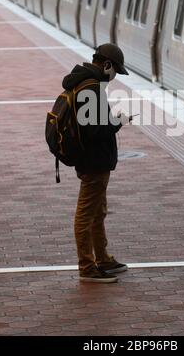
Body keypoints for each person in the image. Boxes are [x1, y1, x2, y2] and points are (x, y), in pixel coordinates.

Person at [62, 44, 130, 283]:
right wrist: (118, 122)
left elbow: (91, 123)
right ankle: (87, 266)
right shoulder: (90, 88)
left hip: (94, 161)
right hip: (93, 162)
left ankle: (102, 258)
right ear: (107, 65)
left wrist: (112, 120)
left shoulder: (87, 83)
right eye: (115, 72)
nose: (114, 78)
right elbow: (94, 131)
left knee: (97, 212)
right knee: (85, 214)